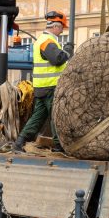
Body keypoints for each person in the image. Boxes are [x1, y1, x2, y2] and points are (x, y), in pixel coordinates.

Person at [12, 11, 74, 153]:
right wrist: (68, 50)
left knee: (38, 117)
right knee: (56, 116)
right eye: (62, 27)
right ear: (55, 26)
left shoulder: (43, 41)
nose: (62, 30)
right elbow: (58, 59)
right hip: (50, 87)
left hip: (42, 87)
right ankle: (59, 147)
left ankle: (19, 143)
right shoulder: (47, 41)